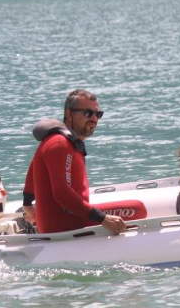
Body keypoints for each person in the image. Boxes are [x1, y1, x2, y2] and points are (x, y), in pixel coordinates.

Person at [22, 89, 126, 235]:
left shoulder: (60, 141)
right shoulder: (60, 144)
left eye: (98, 114)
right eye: (88, 113)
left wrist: (27, 203)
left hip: (71, 220)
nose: (94, 119)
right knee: (138, 208)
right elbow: (63, 194)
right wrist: (102, 219)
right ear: (70, 114)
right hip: (67, 228)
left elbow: (33, 169)